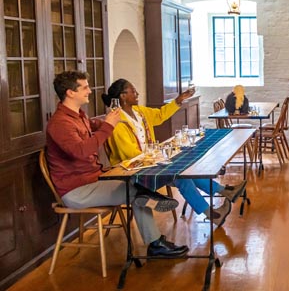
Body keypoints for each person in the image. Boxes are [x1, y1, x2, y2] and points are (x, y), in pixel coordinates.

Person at [46, 71, 188, 258]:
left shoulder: (77, 116)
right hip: (77, 190)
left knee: (137, 188)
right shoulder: (60, 123)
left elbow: (92, 126)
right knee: (136, 191)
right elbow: (80, 151)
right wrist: (108, 126)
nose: (90, 91)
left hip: (93, 180)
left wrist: (105, 122)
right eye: (85, 87)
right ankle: (155, 230)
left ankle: (155, 233)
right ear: (70, 93)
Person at [102, 79, 246, 226]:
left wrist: (178, 100)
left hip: (149, 163)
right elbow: (129, 153)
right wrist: (156, 155)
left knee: (182, 172)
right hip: (134, 171)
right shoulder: (117, 121)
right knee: (181, 176)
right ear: (123, 96)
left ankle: (219, 202)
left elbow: (160, 115)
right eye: (133, 91)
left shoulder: (139, 112)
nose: (137, 93)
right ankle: (216, 206)